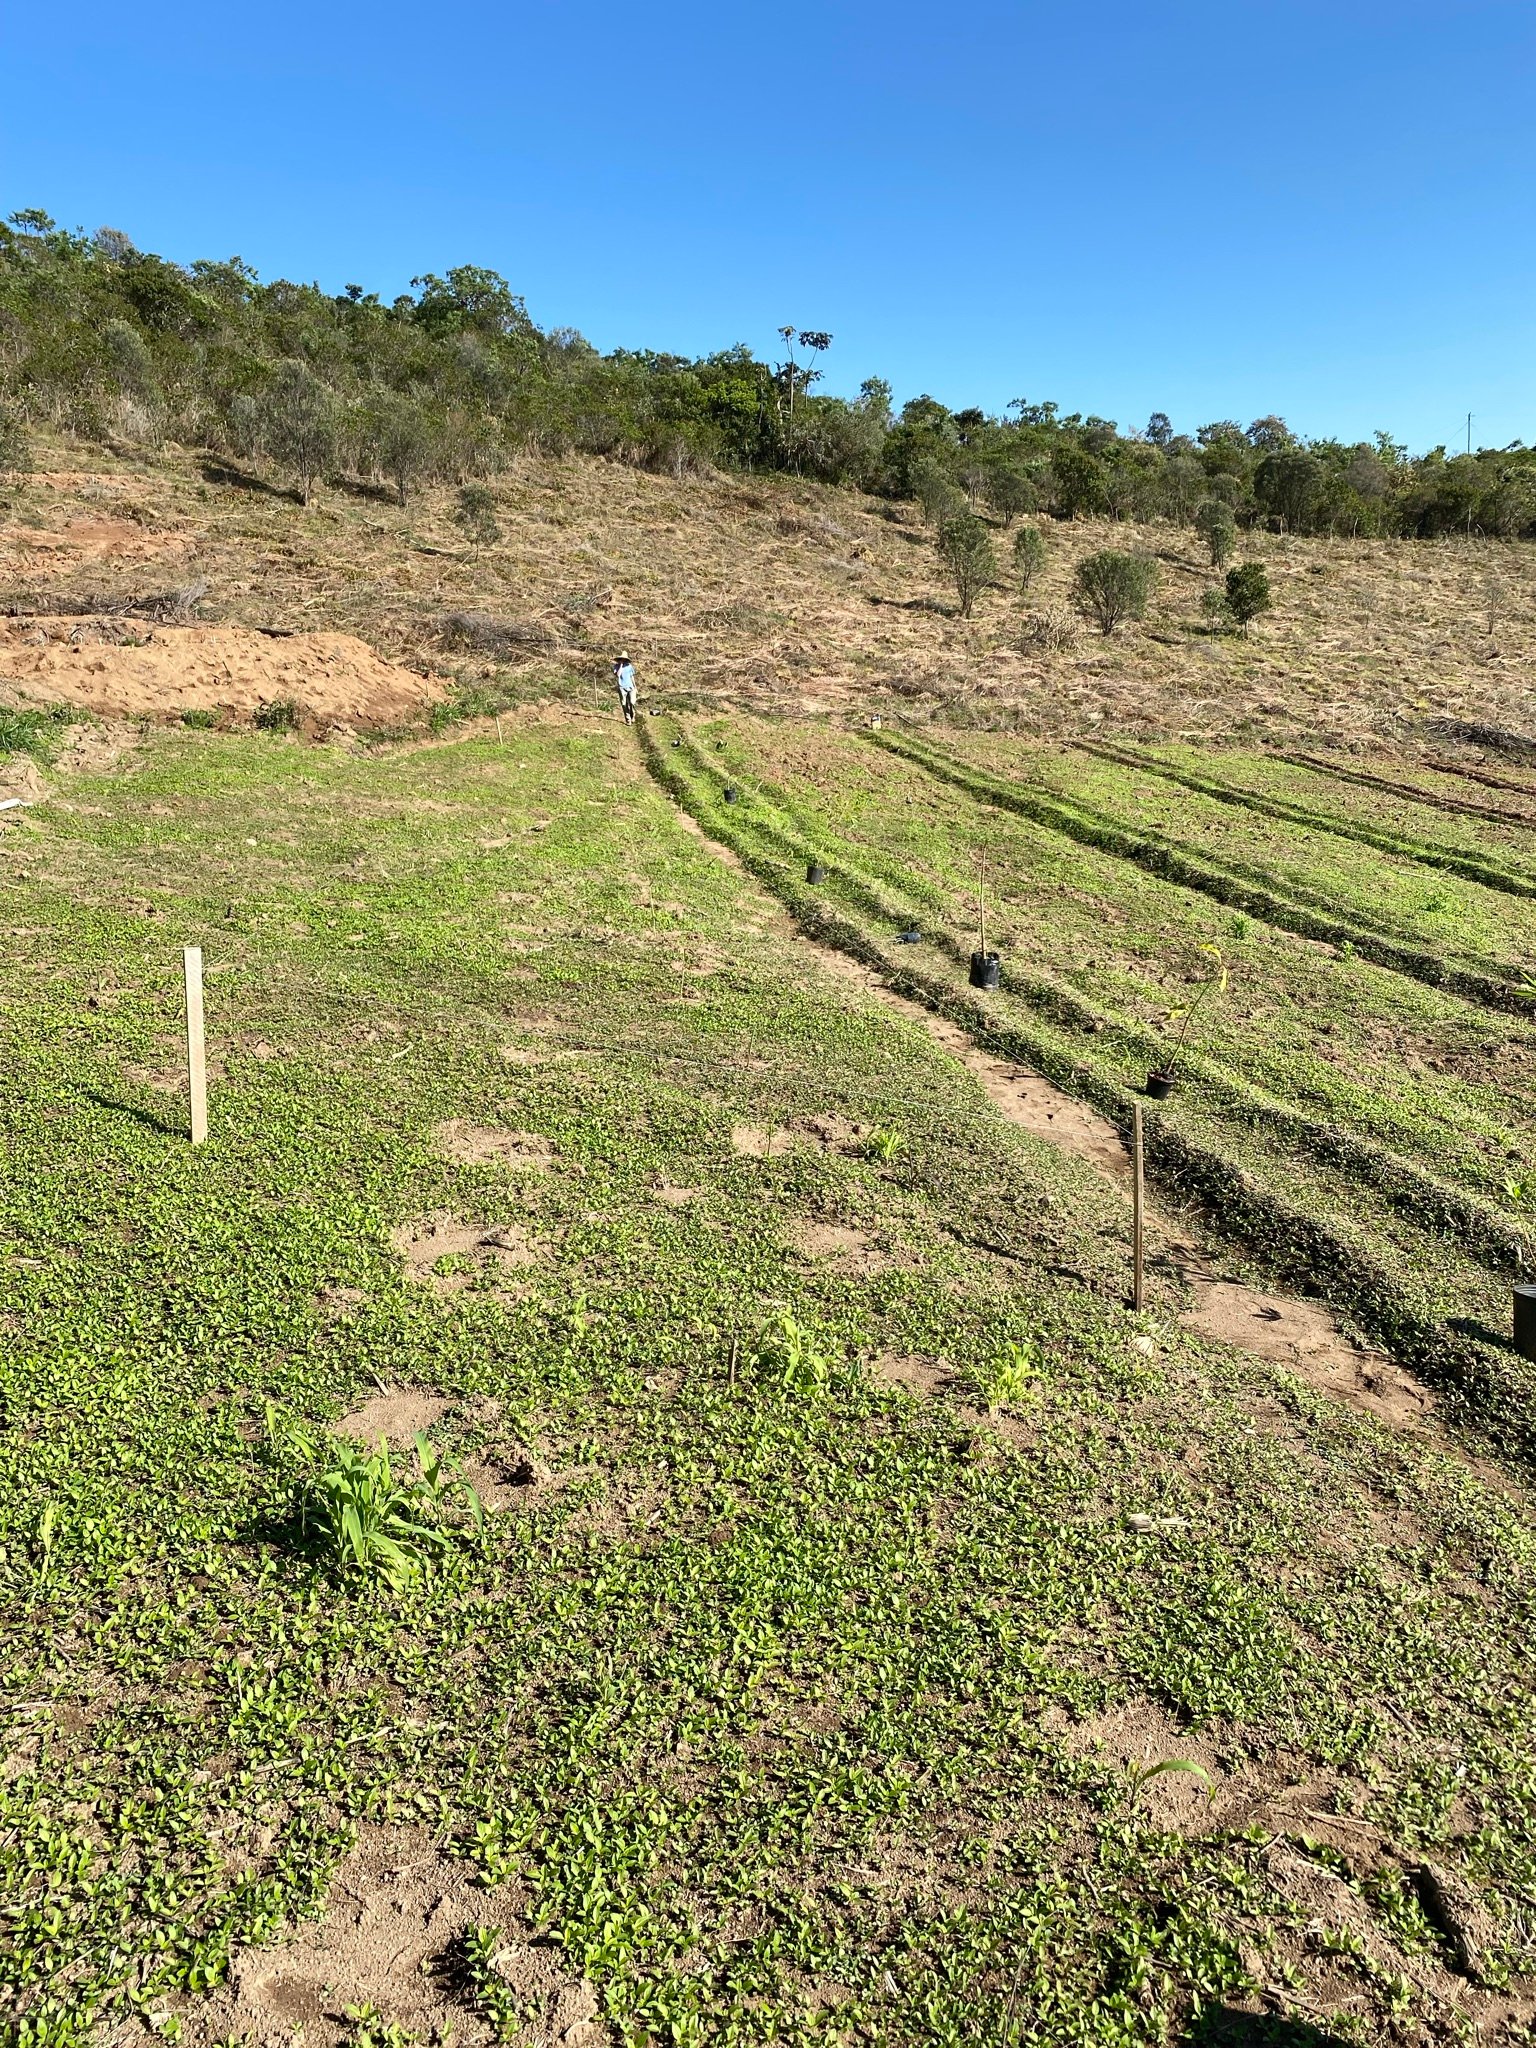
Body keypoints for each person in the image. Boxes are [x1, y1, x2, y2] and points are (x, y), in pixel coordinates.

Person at [612, 655, 637, 725]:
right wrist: (620, 666)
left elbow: (632, 676)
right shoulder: (616, 666)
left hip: (630, 687)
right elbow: (618, 675)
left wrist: (635, 686)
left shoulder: (629, 666)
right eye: (621, 659)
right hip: (622, 687)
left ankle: (633, 715)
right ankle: (628, 719)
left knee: (632, 702)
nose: (622, 660)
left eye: (624, 659)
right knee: (624, 704)